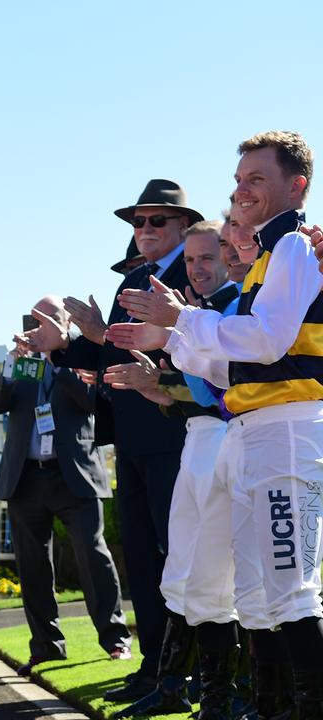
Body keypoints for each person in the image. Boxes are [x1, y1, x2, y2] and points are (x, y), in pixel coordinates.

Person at [110, 131, 323, 718]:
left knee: (290, 592)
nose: (242, 191)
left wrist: (182, 323)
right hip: (258, 430)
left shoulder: (293, 249)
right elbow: (236, 367)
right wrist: (175, 335)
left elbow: (267, 339)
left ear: (296, 185)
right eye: (239, 181)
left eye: (257, 179)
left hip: (286, 430)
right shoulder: (273, 257)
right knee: (262, 594)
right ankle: (265, 706)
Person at [24, 178, 202, 703]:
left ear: (183, 227)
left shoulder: (186, 282)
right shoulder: (143, 278)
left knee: (181, 562)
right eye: (138, 222)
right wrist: (66, 348)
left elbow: (182, 357)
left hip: (177, 435)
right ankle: (155, 669)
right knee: (145, 562)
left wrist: (99, 339)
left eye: (156, 221)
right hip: (135, 441)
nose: (144, 230)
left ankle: (186, 676)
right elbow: (115, 359)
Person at [0, 297, 130, 675]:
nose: (39, 329)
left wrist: (61, 361)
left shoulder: (81, 356)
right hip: (26, 477)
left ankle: (115, 639)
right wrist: (10, 368)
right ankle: (46, 646)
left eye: (48, 321)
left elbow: (92, 401)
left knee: (93, 556)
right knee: (32, 565)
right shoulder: (22, 364)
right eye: (34, 322)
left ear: (65, 326)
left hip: (74, 476)